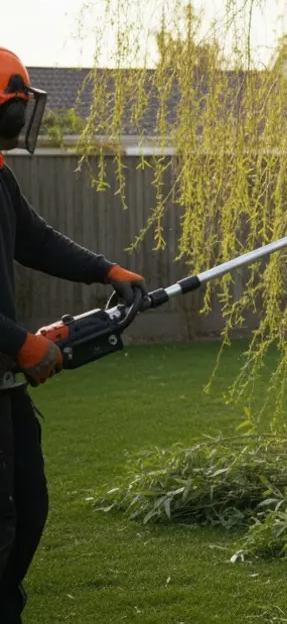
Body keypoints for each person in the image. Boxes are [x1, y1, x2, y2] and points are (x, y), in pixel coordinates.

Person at [0, 47, 147, 621]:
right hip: (9, 362)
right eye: (15, 104)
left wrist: (104, 269)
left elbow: (34, 239)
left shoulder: (0, 179)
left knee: (27, 509)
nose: (21, 117)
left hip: (7, 389)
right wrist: (20, 342)